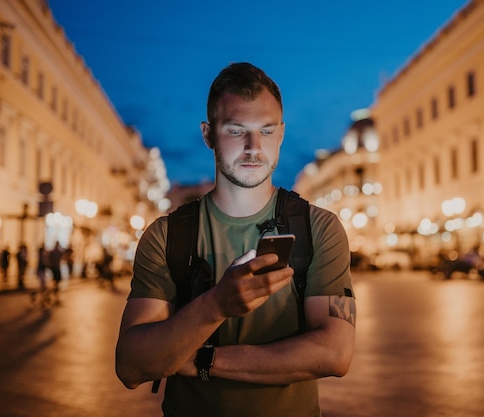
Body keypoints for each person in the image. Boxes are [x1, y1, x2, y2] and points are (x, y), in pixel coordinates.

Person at [115, 62, 356, 417]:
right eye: (236, 130)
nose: (253, 147)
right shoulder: (168, 236)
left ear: (282, 133)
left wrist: (200, 359)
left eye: (267, 131)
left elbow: (335, 354)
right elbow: (132, 367)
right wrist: (216, 305)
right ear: (208, 134)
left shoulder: (319, 228)